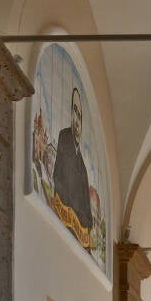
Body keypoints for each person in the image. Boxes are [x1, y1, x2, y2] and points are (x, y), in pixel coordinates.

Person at [52, 87, 93, 240]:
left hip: (77, 228)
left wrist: (85, 225)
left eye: (79, 115)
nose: (77, 120)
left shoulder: (83, 166)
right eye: (74, 111)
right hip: (64, 217)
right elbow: (57, 176)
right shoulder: (64, 137)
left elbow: (87, 208)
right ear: (71, 115)